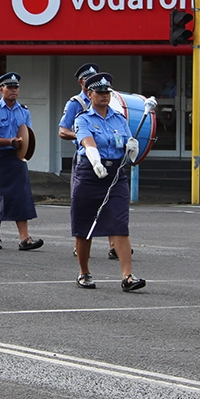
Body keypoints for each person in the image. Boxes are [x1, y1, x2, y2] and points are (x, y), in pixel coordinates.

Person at [72, 71, 145, 291]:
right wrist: (96, 162)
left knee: (120, 224)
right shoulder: (82, 118)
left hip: (115, 176)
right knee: (85, 226)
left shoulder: (119, 118)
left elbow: (127, 144)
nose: (104, 96)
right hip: (90, 174)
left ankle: (127, 276)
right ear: (89, 93)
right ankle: (84, 272)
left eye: (107, 92)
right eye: (99, 92)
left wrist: (132, 149)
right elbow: (87, 142)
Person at [60, 62, 122, 260]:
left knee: (112, 202)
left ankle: (115, 245)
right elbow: (63, 130)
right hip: (86, 159)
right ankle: (82, 245)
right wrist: (83, 137)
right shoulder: (75, 103)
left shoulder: (108, 102)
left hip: (110, 159)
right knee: (85, 206)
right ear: (81, 83)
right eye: (88, 80)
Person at [0, 73, 42, 251]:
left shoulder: (24, 111)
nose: (13, 90)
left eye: (16, 87)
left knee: (21, 197)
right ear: (1, 90)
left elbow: (28, 134)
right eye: (9, 87)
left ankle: (24, 238)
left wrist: (23, 147)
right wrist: (9, 141)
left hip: (17, 159)